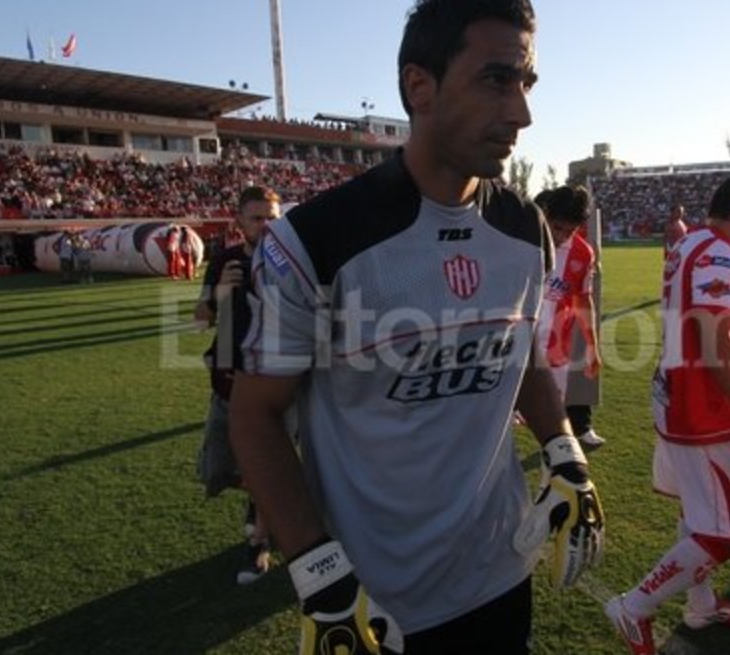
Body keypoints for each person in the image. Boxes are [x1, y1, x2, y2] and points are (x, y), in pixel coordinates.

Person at [229, 1, 604, 653]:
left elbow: (524, 357)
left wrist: (564, 452)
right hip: (373, 601)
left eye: (526, 84)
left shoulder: (525, 229)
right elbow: (254, 416)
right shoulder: (316, 239)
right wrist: (321, 577)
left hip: (499, 574)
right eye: (496, 80)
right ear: (418, 86)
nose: (521, 112)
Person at [606, 172, 730, 655]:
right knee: (727, 533)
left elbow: (697, 306)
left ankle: (700, 605)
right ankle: (635, 605)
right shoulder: (717, 253)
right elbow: (714, 337)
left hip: (677, 391)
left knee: (699, 509)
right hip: (704, 407)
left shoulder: (692, 244)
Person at [194, 185, 282, 585]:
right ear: (239, 222)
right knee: (217, 469)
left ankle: (259, 537)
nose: (266, 227)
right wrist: (221, 293)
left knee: (268, 463)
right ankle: (263, 506)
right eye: (257, 218)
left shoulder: (289, 261)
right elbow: (201, 319)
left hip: (276, 380)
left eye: (272, 218)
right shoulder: (225, 260)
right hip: (229, 379)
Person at [534, 185, 605, 449]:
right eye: (557, 227)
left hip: (556, 351)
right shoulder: (526, 239)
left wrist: (592, 346)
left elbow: (583, 299)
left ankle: (549, 483)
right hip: (514, 346)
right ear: (547, 215)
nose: (562, 236)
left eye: (570, 230)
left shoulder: (583, 253)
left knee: (553, 423)